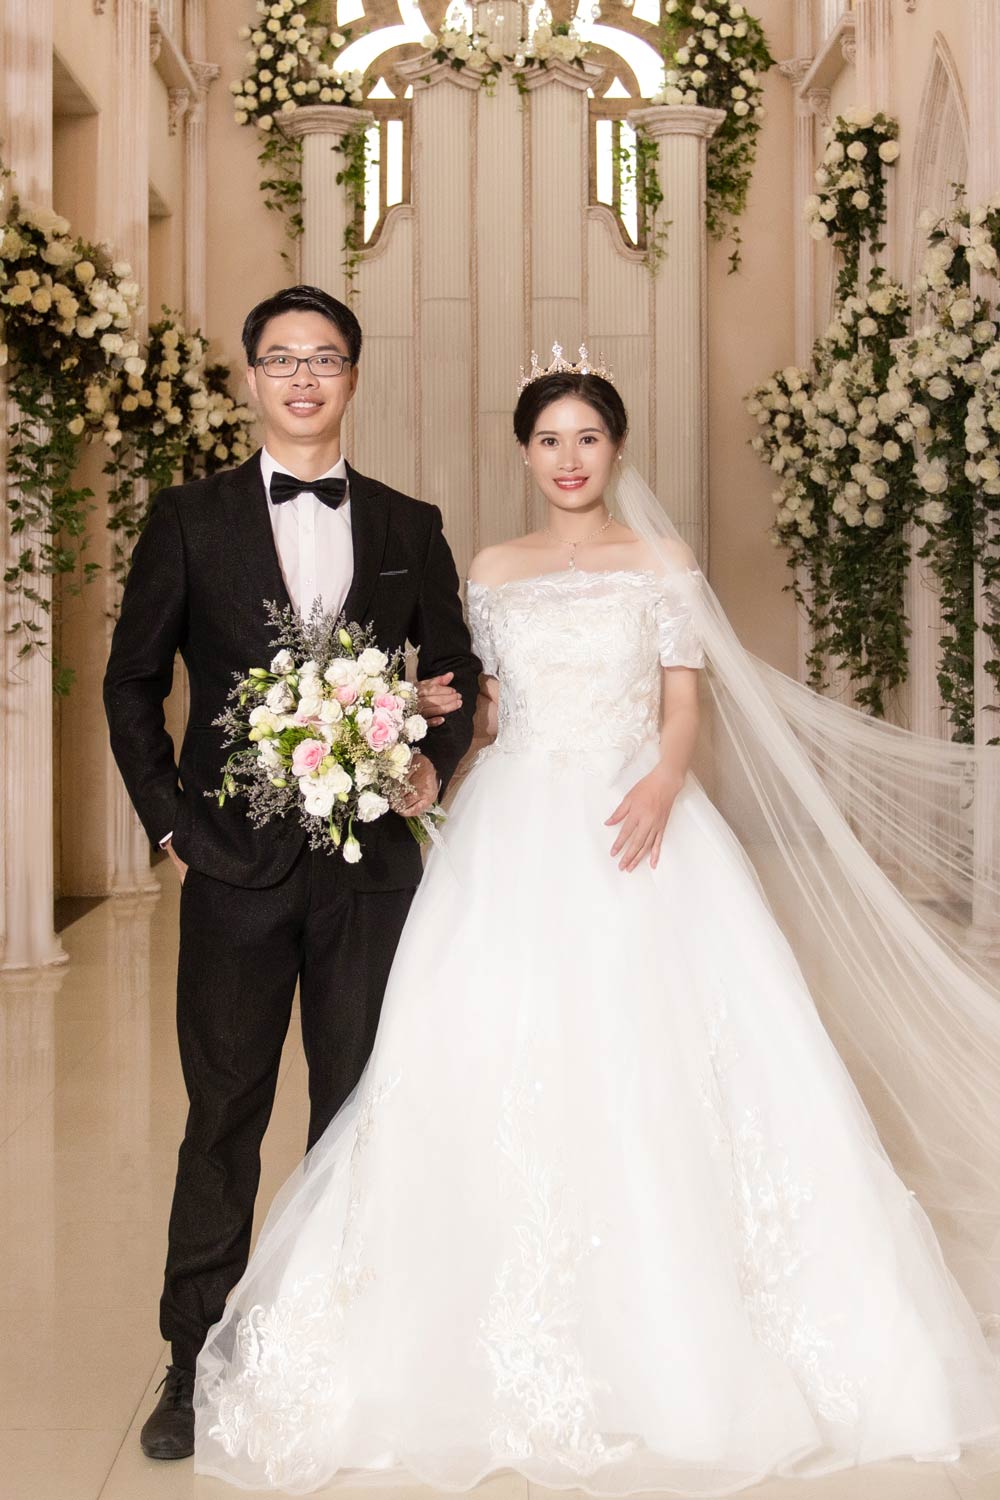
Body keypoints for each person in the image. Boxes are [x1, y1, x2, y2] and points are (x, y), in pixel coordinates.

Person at [194, 355, 1000, 1495]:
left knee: (658, 1057)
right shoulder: (490, 567)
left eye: (588, 439)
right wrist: (424, 738)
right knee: (479, 1053)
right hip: (512, 821)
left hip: (636, 817)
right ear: (523, 454)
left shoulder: (659, 561)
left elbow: (685, 698)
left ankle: (685, 1330)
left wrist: (666, 781)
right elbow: (487, 709)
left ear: (615, 450)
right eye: (548, 441)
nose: (569, 459)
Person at [103, 285, 479, 1461]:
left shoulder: (411, 524)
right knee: (224, 1114)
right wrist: (173, 826)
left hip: (371, 872)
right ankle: (191, 1358)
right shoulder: (186, 518)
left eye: (324, 358)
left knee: (357, 1111)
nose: (302, 378)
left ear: (353, 377)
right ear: (252, 379)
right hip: (235, 869)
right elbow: (130, 685)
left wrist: (431, 767)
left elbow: (458, 672)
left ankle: (344, 1348)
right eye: (280, 359)